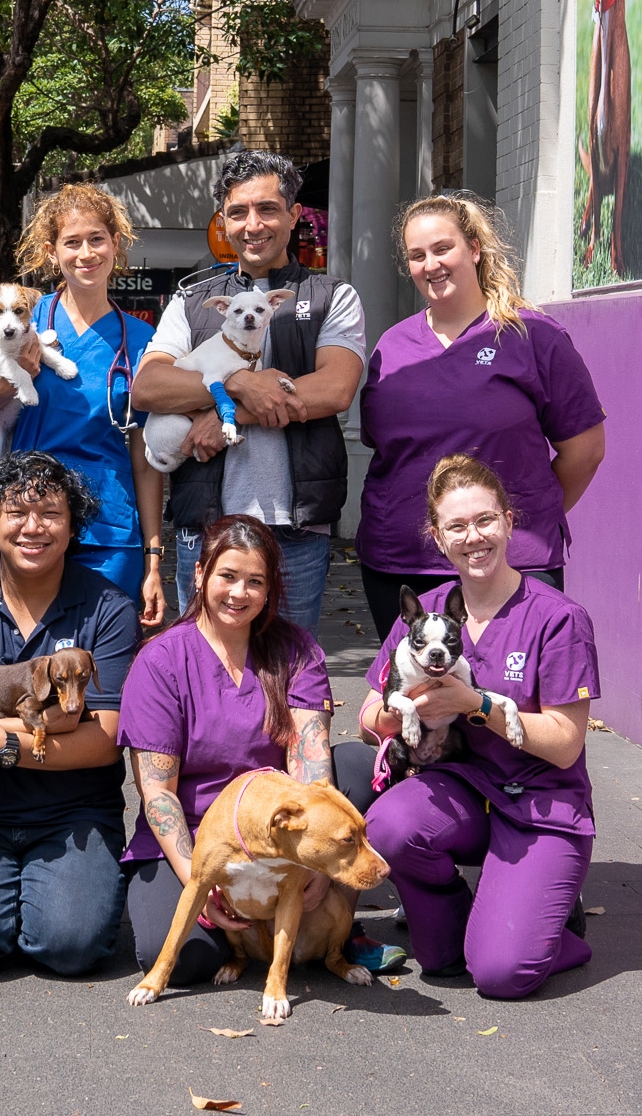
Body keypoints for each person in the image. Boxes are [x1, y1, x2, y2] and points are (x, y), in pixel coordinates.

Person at [118, 514, 399, 984]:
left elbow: (313, 777)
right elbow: (158, 793)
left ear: (269, 590)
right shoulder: (161, 660)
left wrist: (316, 869)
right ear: (200, 574)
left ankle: (336, 924)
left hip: (280, 826)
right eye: (227, 576)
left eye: (255, 581)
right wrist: (198, 881)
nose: (239, 593)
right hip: (198, 830)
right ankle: (263, 928)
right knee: (182, 958)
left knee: (356, 764)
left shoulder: (295, 649)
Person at [358, 454, 598, 998]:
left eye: (485, 520)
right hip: (463, 785)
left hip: (539, 801)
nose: (473, 537)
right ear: (437, 537)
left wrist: (475, 705)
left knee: (500, 973)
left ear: (509, 522)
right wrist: (405, 711)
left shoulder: (558, 617)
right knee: (390, 827)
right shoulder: (426, 614)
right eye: (457, 526)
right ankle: (470, 916)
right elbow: (369, 717)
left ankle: (551, 926)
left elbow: (565, 745)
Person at [0, 452, 140, 976]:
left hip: (74, 811)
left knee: (69, 945)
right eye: (16, 512)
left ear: (73, 526)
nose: (32, 527)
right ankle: (8, 903)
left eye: (51, 514)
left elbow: (105, 738)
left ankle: (50, 897)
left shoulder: (108, 608)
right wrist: (49, 726)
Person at [131, 150, 367, 633]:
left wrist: (230, 414)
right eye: (238, 212)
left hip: (295, 530)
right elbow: (148, 387)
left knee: (289, 668)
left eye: (267, 209)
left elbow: (334, 388)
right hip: (207, 528)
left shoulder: (331, 296)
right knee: (206, 669)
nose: (252, 225)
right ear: (223, 220)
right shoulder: (193, 301)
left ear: (294, 214)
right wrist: (238, 381)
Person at [358, 192, 605, 641]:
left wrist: (516, 522)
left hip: (510, 566)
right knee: (422, 688)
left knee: (510, 688)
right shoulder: (391, 347)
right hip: (402, 566)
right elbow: (388, 452)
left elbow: (585, 451)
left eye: (442, 248)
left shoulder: (534, 336)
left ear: (474, 248)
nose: (431, 265)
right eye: (417, 255)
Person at [0, 184, 165, 624]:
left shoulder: (142, 340)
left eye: (97, 239)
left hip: (108, 530)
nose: (86, 253)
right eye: (72, 242)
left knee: (106, 655)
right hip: (28, 524)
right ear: (52, 252)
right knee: (26, 658)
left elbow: (145, 460)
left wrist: (153, 558)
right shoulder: (15, 317)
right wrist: (10, 384)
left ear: (115, 243)